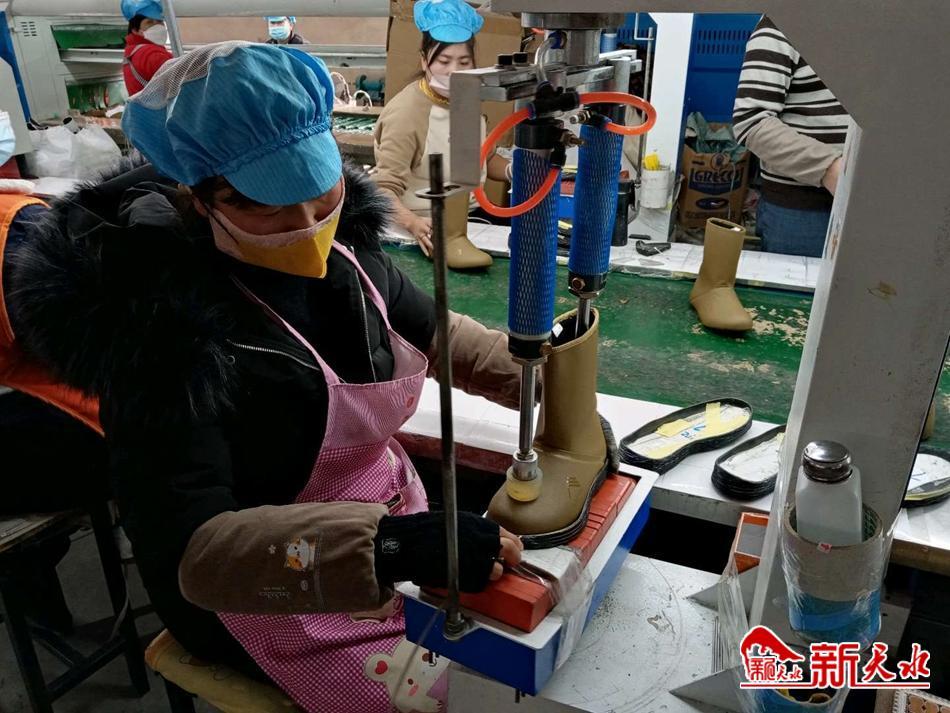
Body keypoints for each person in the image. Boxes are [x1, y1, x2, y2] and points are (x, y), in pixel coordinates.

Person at [5, 42, 523, 712]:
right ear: (201, 198)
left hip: (391, 523)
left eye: (319, 188)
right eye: (268, 205)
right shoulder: (161, 330)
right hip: (261, 581)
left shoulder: (347, 251)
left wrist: (540, 381)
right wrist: (389, 549)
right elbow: (195, 552)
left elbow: (440, 334)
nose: (308, 225)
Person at [372, 0, 509, 269]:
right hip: (425, 225)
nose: (454, 71)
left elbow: (482, 158)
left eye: (464, 62)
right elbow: (382, 190)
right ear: (425, 60)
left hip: (473, 220)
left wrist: (515, 171)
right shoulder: (407, 114)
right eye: (444, 61)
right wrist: (413, 223)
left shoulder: (465, 99)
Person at [732, 16, 848, 258]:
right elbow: (751, 121)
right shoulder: (783, 20)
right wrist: (830, 169)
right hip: (805, 211)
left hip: (884, 202)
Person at [121, 0, 173, 95]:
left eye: (159, 21)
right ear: (136, 30)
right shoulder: (151, 54)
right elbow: (181, 78)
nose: (157, 25)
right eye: (149, 22)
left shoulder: (132, 51)